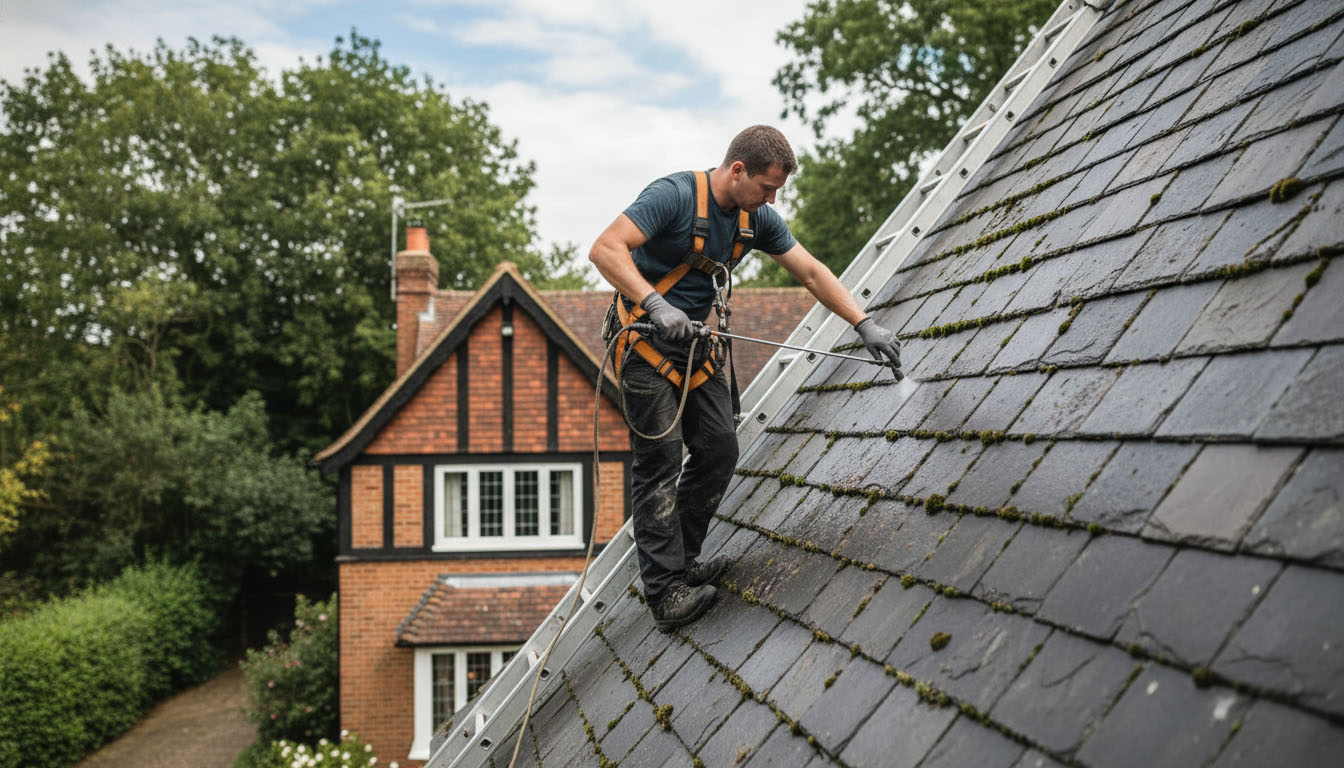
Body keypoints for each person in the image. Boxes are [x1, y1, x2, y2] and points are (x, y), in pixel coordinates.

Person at [588, 125, 902, 631]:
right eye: (766, 187)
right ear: (738, 170)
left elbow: (811, 272)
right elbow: (605, 248)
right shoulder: (673, 196)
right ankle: (665, 594)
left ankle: (684, 564)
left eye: (776, 191)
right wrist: (655, 303)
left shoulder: (756, 220)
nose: (771, 199)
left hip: (696, 346)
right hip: (643, 343)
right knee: (661, 463)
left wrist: (863, 323)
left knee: (719, 448)